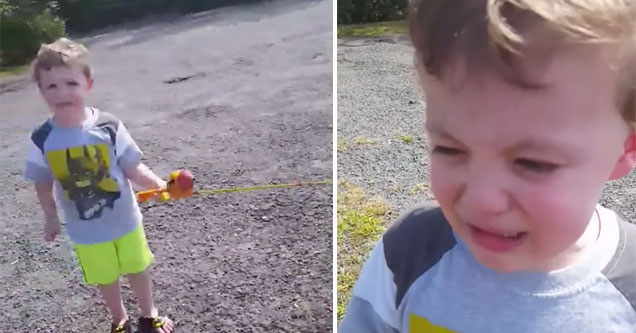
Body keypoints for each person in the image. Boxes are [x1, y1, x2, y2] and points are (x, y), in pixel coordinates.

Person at [339, 0, 636, 331]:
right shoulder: (409, 253)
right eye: (449, 149)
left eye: (533, 163)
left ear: (625, 151)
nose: (482, 200)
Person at [24, 38, 175, 333]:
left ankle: (149, 314)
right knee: (105, 277)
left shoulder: (108, 125)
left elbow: (132, 166)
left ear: (87, 84)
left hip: (126, 220)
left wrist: (158, 185)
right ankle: (119, 319)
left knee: (137, 268)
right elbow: (43, 184)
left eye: (70, 83)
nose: (62, 92)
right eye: (51, 86)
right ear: (41, 92)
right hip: (86, 230)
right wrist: (51, 216)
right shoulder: (42, 138)